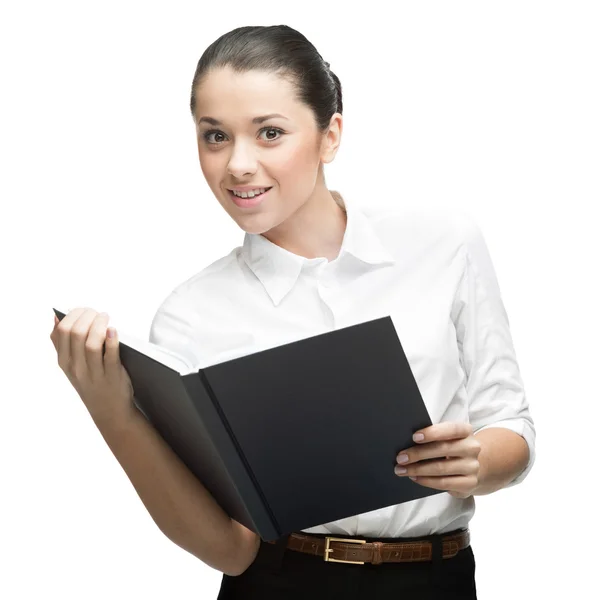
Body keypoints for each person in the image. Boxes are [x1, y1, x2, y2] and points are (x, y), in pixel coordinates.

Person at [50, 24, 535, 599]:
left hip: (437, 580)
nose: (237, 165)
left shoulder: (442, 242)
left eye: (270, 133)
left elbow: (512, 422)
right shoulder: (190, 315)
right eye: (215, 136)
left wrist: (476, 463)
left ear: (330, 135)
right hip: (279, 584)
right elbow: (229, 549)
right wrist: (115, 412)